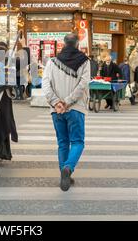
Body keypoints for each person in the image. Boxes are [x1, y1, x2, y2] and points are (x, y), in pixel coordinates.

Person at [42, 33, 90, 191]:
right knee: (77, 142)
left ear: (64, 43)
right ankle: (68, 168)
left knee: (62, 142)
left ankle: (65, 174)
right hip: (75, 108)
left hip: (57, 110)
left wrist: (56, 102)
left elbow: (46, 85)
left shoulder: (52, 62)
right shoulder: (84, 61)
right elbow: (83, 84)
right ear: (77, 44)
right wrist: (67, 101)